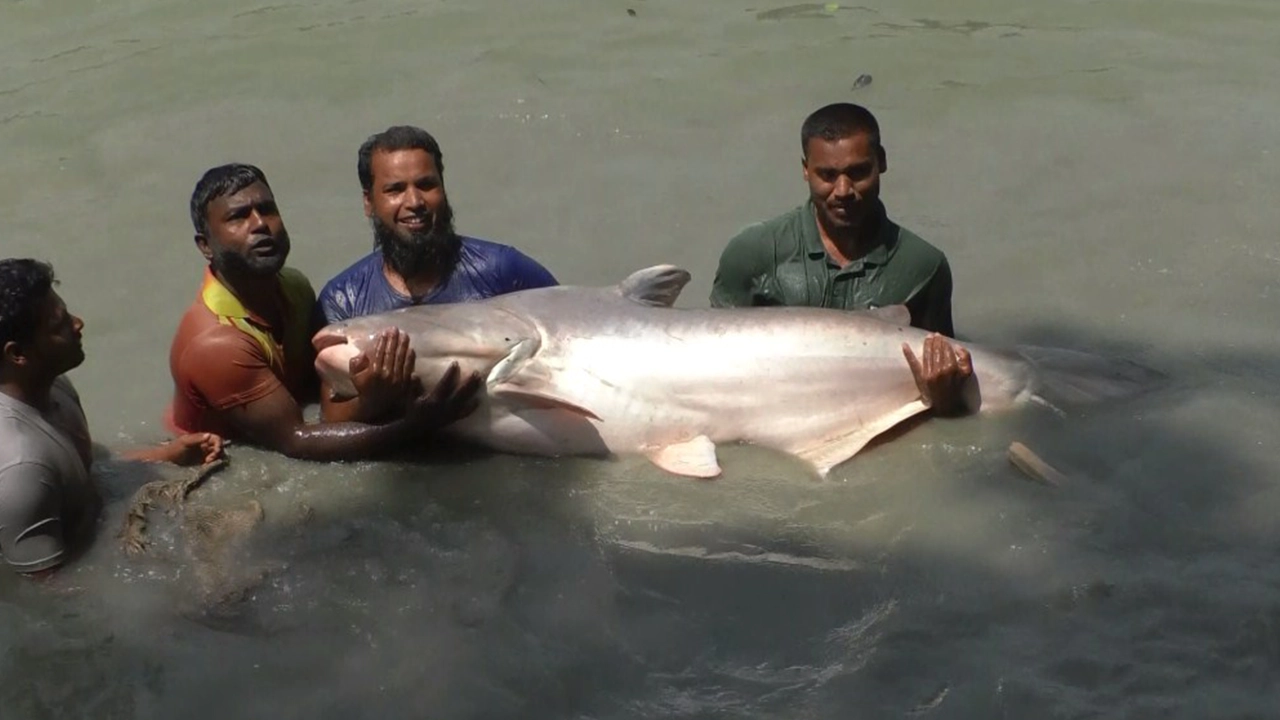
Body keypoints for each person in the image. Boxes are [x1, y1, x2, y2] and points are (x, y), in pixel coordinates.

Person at [164, 163, 481, 461]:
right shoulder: (216, 343)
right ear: (205, 246)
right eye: (238, 217)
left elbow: (313, 390)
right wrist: (417, 424)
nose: (260, 224)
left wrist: (375, 396)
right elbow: (297, 439)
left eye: (267, 209)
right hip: (205, 453)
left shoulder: (294, 286)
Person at [709, 103, 973, 415]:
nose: (843, 190)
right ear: (805, 169)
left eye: (858, 172)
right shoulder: (753, 253)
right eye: (827, 175)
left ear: (882, 162)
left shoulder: (924, 266)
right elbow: (716, 368)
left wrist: (944, 399)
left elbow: (950, 381)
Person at [316, 125, 558, 422]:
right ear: (369, 202)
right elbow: (330, 419)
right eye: (395, 189)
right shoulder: (344, 300)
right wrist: (374, 401)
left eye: (427, 184)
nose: (415, 202)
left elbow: (567, 341)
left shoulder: (503, 271)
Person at [0, 259, 223, 576]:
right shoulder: (21, 466)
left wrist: (165, 455)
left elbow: (82, 470)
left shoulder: (53, 385)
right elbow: (48, 600)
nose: (78, 323)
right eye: (59, 325)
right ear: (17, 354)